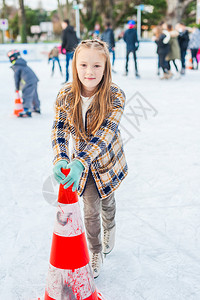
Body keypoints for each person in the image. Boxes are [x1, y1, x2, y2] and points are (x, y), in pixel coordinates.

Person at [52, 39, 128, 279]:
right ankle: (95, 251)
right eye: (83, 64)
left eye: (97, 66)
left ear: (106, 67)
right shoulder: (65, 94)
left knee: (107, 202)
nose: (89, 71)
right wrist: (61, 158)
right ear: (75, 65)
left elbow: (104, 136)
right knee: (90, 210)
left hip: (106, 163)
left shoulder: (115, 96)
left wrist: (79, 161)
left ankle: (111, 227)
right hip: (81, 169)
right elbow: (60, 129)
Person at [7, 49, 41, 117]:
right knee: (34, 94)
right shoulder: (21, 63)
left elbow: (17, 78)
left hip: (27, 82)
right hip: (34, 79)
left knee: (27, 95)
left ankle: (27, 109)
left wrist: (17, 88)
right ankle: (36, 107)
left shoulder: (17, 65)